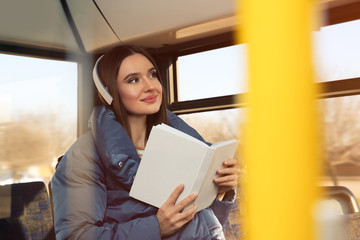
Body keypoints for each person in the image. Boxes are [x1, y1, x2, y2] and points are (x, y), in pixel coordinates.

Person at [51, 45, 238, 240]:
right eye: (133, 80)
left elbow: (202, 225)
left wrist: (219, 191)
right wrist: (155, 228)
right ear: (107, 93)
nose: (150, 86)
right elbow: (75, 235)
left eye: (152, 75)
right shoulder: (83, 156)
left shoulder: (179, 142)